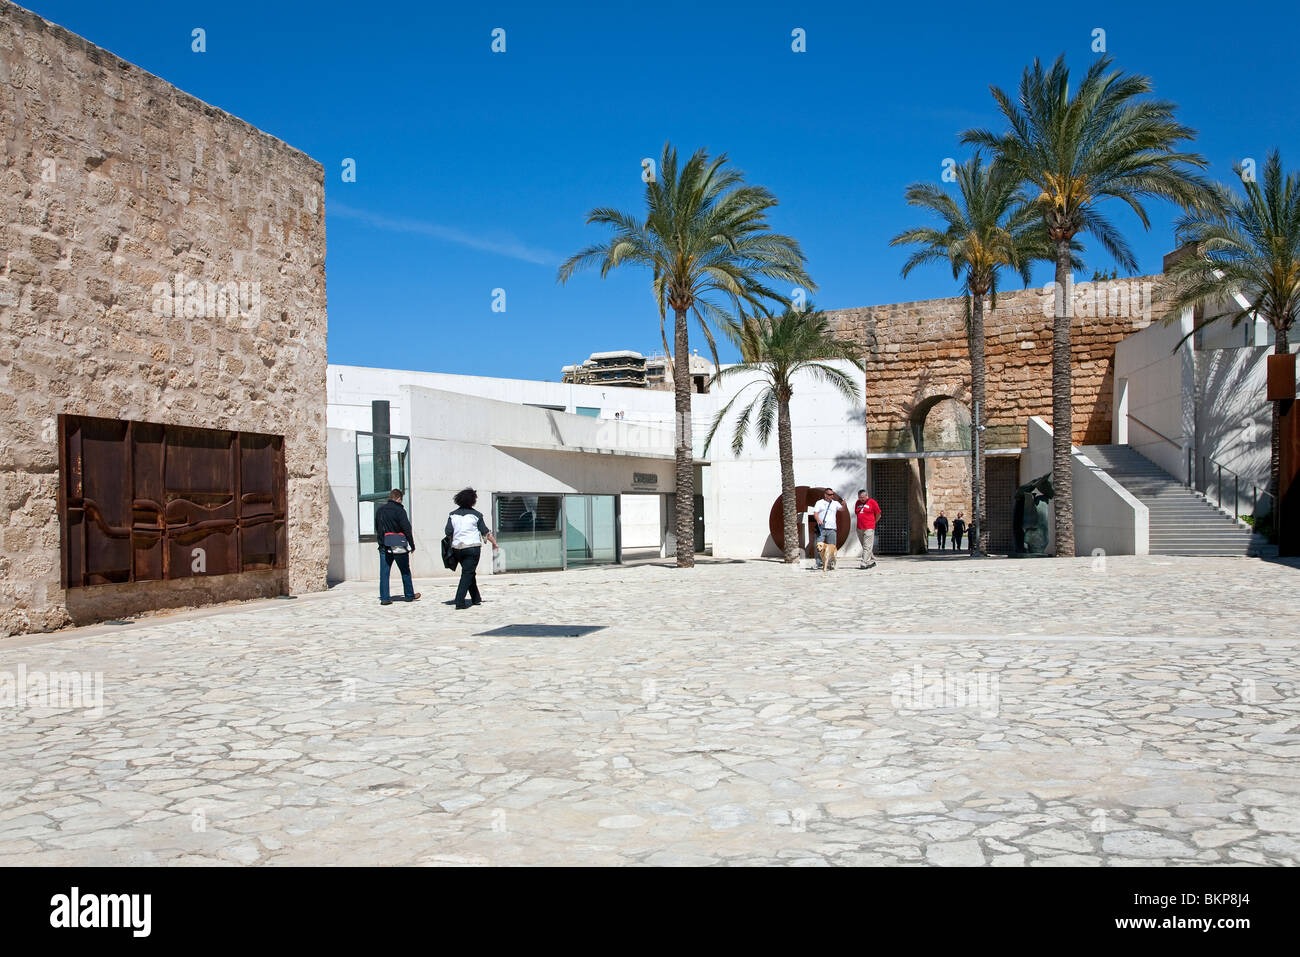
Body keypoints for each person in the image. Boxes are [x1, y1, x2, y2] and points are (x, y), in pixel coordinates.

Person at [446, 488, 499, 609]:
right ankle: (459, 601)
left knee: (469, 572)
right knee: (467, 573)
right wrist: (494, 543)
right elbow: (485, 532)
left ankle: (476, 598)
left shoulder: (452, 515)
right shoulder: (476, 515)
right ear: (472, 501)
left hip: (457, 548)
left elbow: (448, 531)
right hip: (472, 548)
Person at [375, 489, 420, 605]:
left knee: (384, 573)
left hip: (384, 546)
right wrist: (412, 544)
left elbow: (377, 528)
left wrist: (381, 543)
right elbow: (406, 528)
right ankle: (409, 595)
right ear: (399, 499)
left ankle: (385, 598)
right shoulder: (400, 510)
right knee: (405, 570)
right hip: (399, 545)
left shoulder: (380, 510)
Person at [811, 487, 842, 570]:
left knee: (832, 547)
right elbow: (815, 513)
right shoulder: (819, 503)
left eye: (832, 494)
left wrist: (844, 505)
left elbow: (842, 509)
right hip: (821, 528)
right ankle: (818, 563)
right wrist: (818, 520)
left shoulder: (835, 503)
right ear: (825, 495)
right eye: (830, 494)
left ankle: (831, 563)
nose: (832, 496)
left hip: (832, 528)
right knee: (818, 546)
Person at [853, 488, 881, 569]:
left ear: (867, 496)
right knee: (865, 545)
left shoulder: (872, 502)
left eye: (863, 497)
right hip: (859, 528)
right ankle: (869, 560)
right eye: (860, 497)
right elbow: (857, 513)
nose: (861, 499)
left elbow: (878, 514)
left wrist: (873, 522)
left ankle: (864, 563)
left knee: (867, 546)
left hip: (869, 527)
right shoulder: (857, 503)